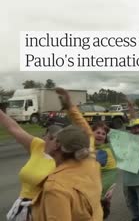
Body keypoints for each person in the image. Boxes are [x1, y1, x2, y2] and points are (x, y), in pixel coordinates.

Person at [1, 88, 89, 221]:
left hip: (43, 212)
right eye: (49, 136)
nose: (43, 137)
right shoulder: (38, 146)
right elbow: (13, 127)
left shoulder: (64, 160)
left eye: (47, 135)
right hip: (21, 209)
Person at [32, 88, 103, 220]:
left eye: (53, 138)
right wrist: (70, 107)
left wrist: (69, 106)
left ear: (57, 145)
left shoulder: (56, 187)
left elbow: (86, 132)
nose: (48, 140)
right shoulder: (90, 161)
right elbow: (86, 132)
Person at [92, 121, 117, 219]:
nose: (100, 135)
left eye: (103, 134)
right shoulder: (96, 148)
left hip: (100, 193)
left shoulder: (103, 150)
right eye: (98, 132)